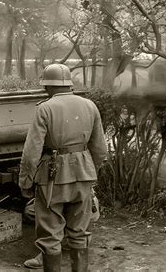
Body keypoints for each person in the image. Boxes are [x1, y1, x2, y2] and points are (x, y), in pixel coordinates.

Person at [18, 64, 107, 271]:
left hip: (52, 177)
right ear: (69, 84)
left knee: (50, 234)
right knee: (80, 232)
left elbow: (31, 152)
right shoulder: (90, 105)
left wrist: (26, 181)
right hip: (84, 174)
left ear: (48, 86)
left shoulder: (45, 108)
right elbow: (100, 149)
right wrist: (91, 173)